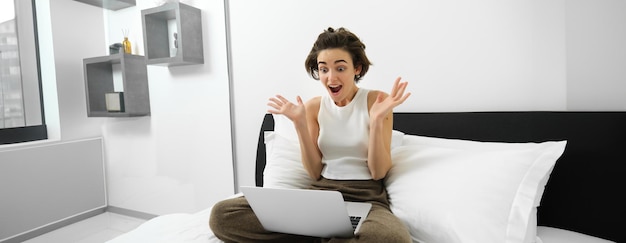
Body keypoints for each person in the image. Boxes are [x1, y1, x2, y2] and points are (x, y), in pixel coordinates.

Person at [210, 27, 412, 242]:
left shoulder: (377, 102)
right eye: (323, 69)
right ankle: (319, 232)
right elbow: (315, 172)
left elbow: (378, 172)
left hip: (367, 198)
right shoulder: (315, 107)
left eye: (340, 68)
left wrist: (377, 120)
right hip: (319, 196)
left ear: (357, 68)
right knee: (222, 215)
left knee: (392, 239)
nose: (331, 77)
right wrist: (299, 124)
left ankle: (310, 235)